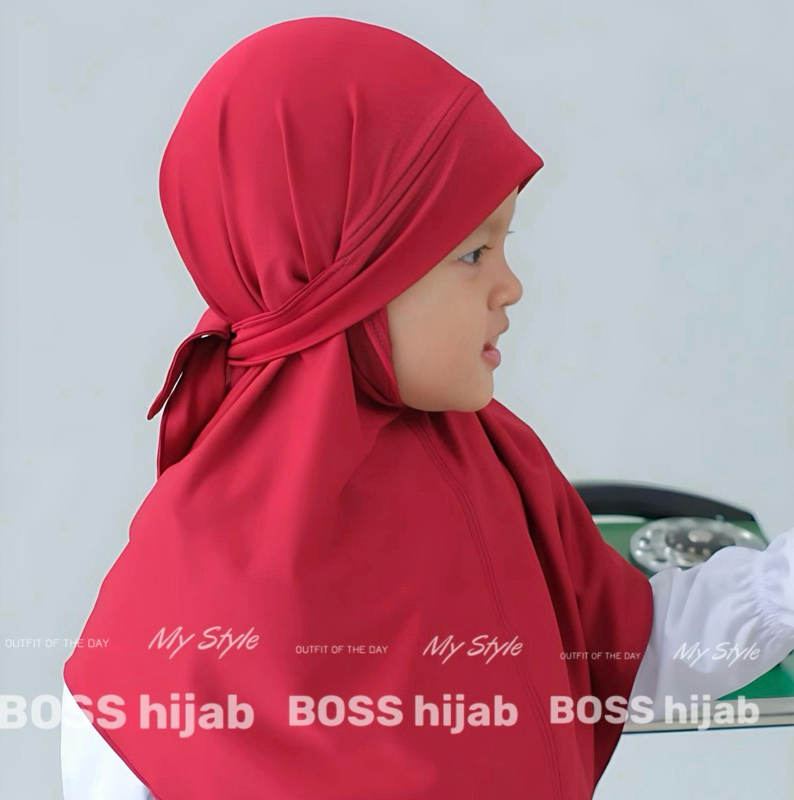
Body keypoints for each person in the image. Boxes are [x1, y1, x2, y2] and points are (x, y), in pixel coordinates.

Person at [60, 16, 794, 800]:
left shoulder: (496, 464)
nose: (511, 287)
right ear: (341, 277)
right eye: (472, 253)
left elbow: (618, 659)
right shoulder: (181, 611)